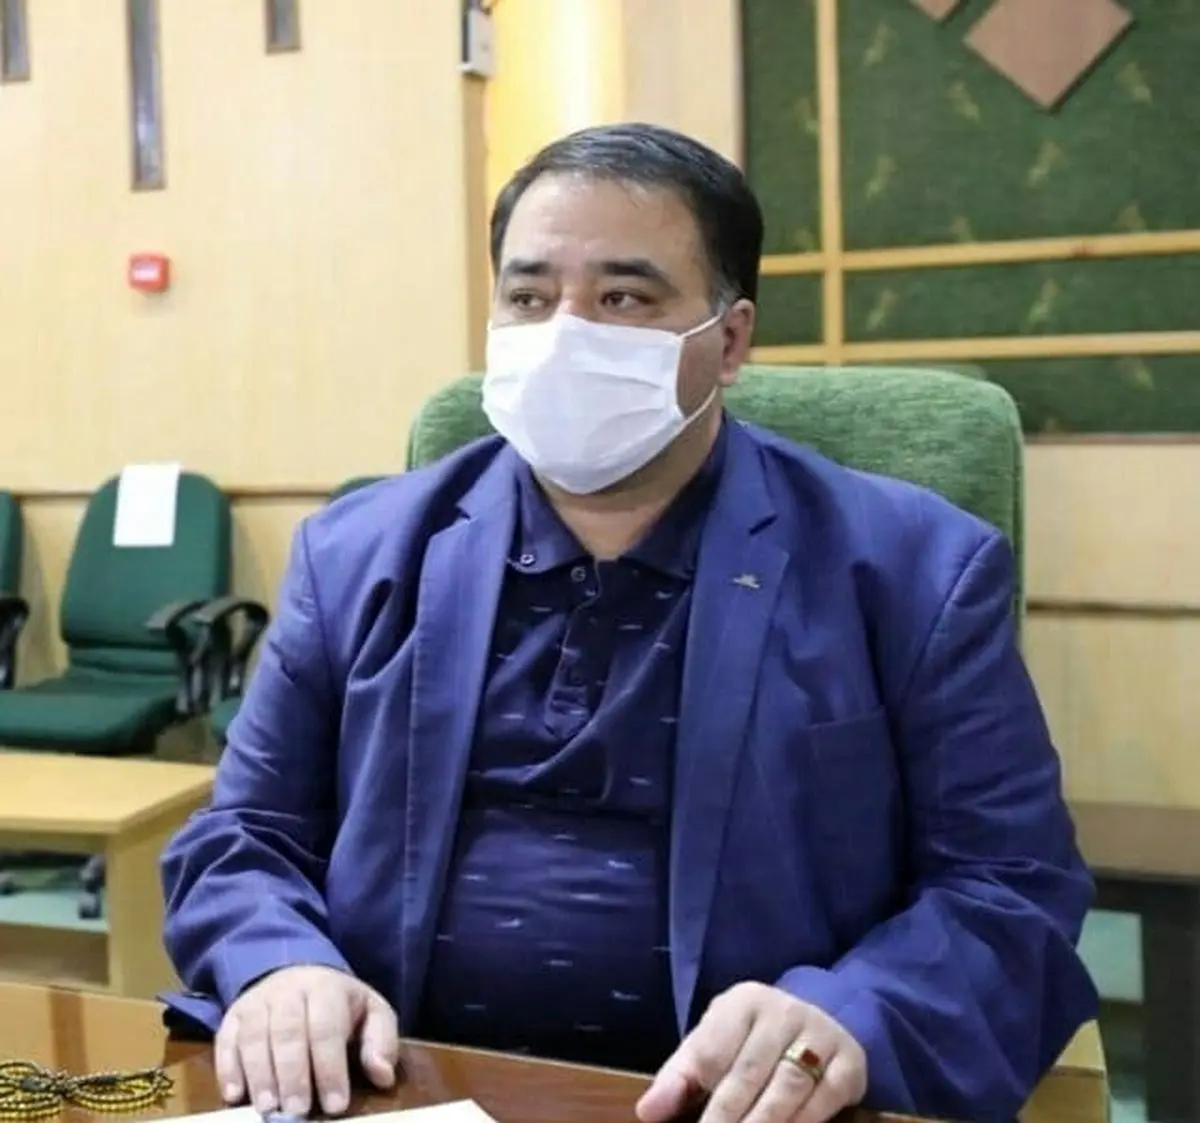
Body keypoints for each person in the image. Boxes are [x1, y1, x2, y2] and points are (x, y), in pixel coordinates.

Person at [160, 122, 1098, 1123]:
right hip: (399, 1089)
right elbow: (244, 833)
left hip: (740, 1104)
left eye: (622, 299)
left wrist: (852, 1014)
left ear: (728, 341)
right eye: (529, 298)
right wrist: (279, 964)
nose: (565, 333)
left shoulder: (912, 568)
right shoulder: (356, 553)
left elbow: (1010, 884)